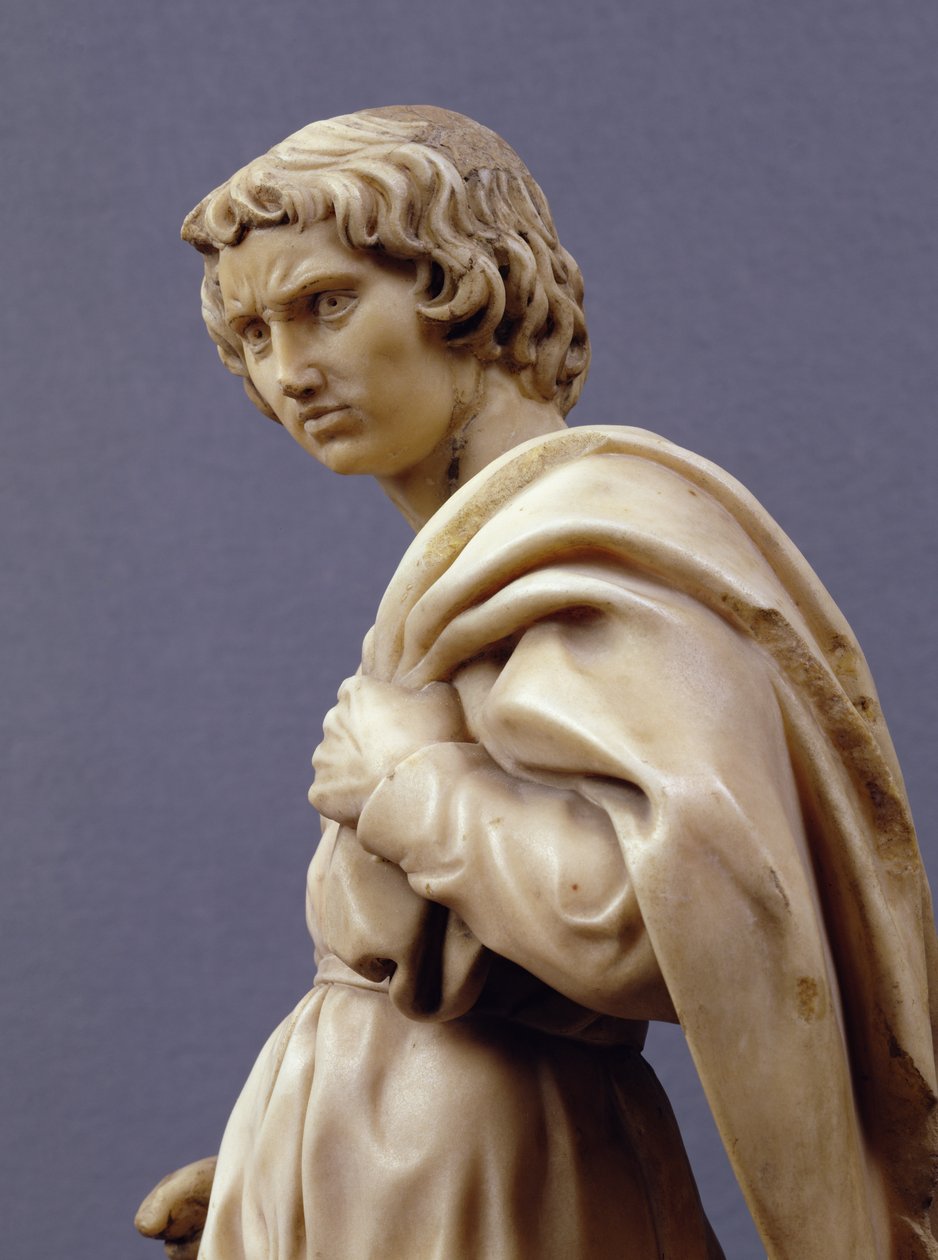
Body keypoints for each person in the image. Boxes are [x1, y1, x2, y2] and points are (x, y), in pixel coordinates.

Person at [136, 106, 938, 1259]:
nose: (290, 371)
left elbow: (686, 924)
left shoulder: (586, 554)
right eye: (255, 334)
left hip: (492, 1171)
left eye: (326, 304)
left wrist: (410, 788)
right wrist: (281, 1158)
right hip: (386, 1165)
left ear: (469, 286)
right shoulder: (470, 570)